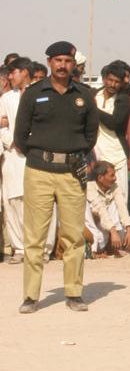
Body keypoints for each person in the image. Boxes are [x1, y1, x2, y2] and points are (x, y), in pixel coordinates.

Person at [13, 41, 99, 313]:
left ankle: (74, 293)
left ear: (74, 64)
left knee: (73, 236)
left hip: (72, 173)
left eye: (68, 61)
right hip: (38, 171)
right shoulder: (33, 93)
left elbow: (90, 135)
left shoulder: (84, 95)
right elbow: (20, 136)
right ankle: (30, 296)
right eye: (58, 60)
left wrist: (71, 155)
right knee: (35, 238)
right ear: (49, 62)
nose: (63, 65)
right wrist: (42, 156)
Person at [0, 57, 34, 263]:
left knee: (34, 202)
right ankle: (19, 248)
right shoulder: (6, 99)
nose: (9, 78)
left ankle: (39, 249)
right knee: (12, 201)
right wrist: (12, 141)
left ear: (23, 72)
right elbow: (2, 124)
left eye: (12, 73)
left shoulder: (39, 94)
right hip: (12, 155)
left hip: (34, 154)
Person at [93, 61, 130, 198]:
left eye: (117, 82)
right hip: (98, 157)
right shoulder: (94, 95)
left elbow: (114, 123)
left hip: (117, 158)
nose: (113, 84)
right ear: (104, 79)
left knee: (120, 199)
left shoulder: (122, 100)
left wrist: (93, 109)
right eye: (110, 80)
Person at [85, 161, 130, 256]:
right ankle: (93, 251)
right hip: (93, 230)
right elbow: (100, 209)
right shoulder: (90, 187)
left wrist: (129, 228)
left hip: (108, 231)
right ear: (100, 178)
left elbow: (122, 207)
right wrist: (112, 230)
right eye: (112, 176)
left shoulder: (114, 187)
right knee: (88, 206)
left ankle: (111, 247)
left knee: (115, 204)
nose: (115, 178)